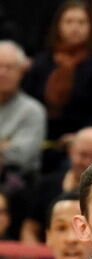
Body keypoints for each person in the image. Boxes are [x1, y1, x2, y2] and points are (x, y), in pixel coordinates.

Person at [21, 0, 92, 159]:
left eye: (81, 22)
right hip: (41, 140)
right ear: (58, 26)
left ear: (91, 27)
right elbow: (29, 103)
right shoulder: (42, 63)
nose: (75, 27)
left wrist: (79, 137)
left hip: (85, 144)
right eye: (69, 22)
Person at [19, 126, 92, 243]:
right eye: (83, 155)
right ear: (71, 151)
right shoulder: (45, 186)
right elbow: (29, 230)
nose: (88, 162)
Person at [0, 40, 47, 180]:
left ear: (21, 71)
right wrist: (5, 144)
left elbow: (21, 156)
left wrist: (7, 151)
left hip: (15, 181)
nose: (2, 73)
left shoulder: (33, 111)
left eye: (9, 67)